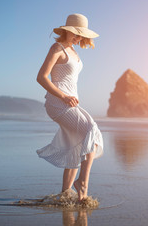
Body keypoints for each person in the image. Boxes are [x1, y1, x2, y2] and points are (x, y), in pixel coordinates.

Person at [36, 13, 103, 201]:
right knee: (91, 129)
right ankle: (82, 182)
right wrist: (64, 96)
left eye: (81, 35)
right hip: (58, 102)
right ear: (66, 31)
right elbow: (41, 77)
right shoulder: (57, 48)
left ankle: (65, 193)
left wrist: (70, 97)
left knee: (78, 143)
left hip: (71, 102)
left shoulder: (74, 51)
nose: (78, 37)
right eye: (75, 33)